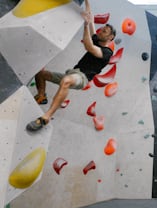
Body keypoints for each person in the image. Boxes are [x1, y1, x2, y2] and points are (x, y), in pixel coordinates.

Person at [26, 0, 116, 132]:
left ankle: (46, 117)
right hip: (73, 72)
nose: (101, 31)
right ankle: (41, 95)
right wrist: (87, 2)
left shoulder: (107, 53)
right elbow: (90, 19)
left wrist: (85, 26)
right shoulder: (97, 39)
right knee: (41, 73)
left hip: (82, 78)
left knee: (66, 81)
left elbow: (89, 46)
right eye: (102, 29)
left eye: (105, 31)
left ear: (111, 37)